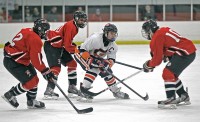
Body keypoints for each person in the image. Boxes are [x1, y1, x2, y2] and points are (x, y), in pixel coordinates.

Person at [1, 18, 57, 109]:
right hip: (14, 62)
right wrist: (45, 71)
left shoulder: (28, 30)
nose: (46, 33)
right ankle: (10, 94)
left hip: (19, 59)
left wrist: (45, 71)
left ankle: (31, 101)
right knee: (30, 82)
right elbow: (36, 60)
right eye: (45, 30)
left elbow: (35, 57)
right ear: (39, 29)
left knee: (35, 79)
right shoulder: (35, 39)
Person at [141, 19, 196, 109]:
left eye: (146, 31)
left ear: (150, 30)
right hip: (188, 51)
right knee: (172, 75)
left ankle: (170, 98)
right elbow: (171, 45)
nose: (146, 33)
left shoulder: (156, 37)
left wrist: (148, 65)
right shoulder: (163, 30)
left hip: (184, 53)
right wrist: (166, 56)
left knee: (167, 73)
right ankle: (183, 95)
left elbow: (157, 60)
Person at [74, 23, 130, 102]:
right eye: (111, 33)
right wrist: (93, 61)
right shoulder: (95, 39)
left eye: (115, 34)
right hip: (81, 54)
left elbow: (111, 59)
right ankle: (83, 90)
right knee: (93, 68)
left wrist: (108, 64)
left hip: (96, 58)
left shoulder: (113, 46)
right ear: (106, 33)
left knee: (107, 71)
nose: (113, 35)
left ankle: (116, 91)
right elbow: (82, 50)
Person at [43, 11, 87, 100]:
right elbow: (68, 45)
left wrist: (77, 49)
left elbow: (67, 43)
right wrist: (77, 51)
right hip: (52, 45)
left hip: (59, 46)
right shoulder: (71, 26)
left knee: (72, 64)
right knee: (56, 68)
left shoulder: (74, 26)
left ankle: (71, 88)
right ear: (76, 19)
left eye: (84, 20)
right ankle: (49, 90)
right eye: (81, 20)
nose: (83, 22)